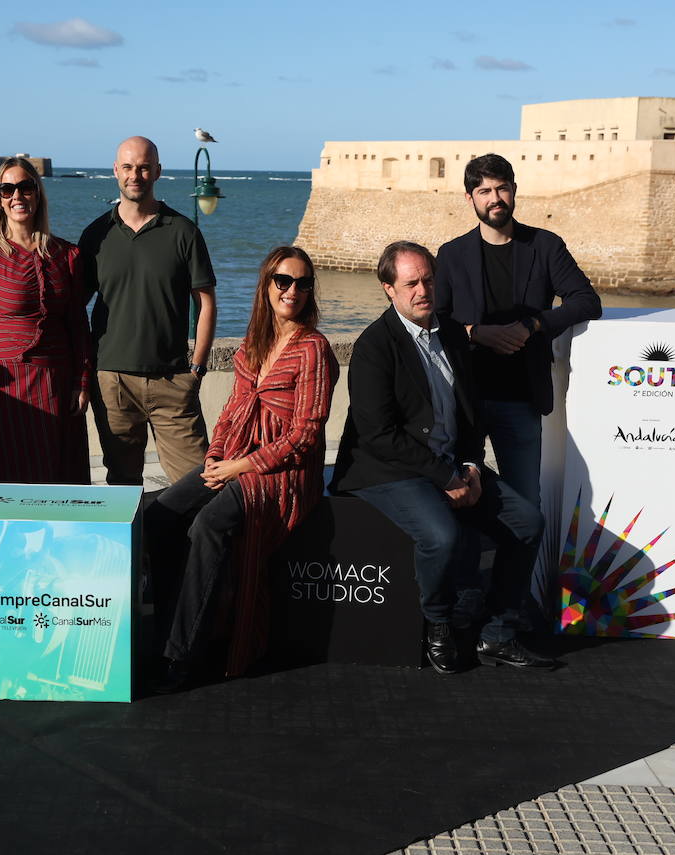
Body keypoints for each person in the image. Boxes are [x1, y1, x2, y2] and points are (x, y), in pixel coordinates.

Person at [330, 241, 552, 673]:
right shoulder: (375, 346)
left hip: (451, 462)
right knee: (442, 536)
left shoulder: (451, 333)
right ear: (388, 289)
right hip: (391, 470)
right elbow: (379, 435)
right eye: (410, 283)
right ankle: (437, 624)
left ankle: (498, 634)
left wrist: (469, 465)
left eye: (428, 280)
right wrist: (445, 476)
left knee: (527, 523)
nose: (422, 290)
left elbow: (470, 413)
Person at [147, 246, 338, 690]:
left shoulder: (314, 349)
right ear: (266, 284)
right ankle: (171, 623)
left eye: (303, 283)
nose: (293, 291)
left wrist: (238, 467)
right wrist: (214, 459)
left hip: (284, 474)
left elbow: (305, 434)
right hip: (234, 457)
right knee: (161, 515)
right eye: (283, 281)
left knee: (208, 524)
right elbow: (232, 413)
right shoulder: (253, 345)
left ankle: (182, 655)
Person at [434, 153, 601, 624]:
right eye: (484, 191)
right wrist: (476, 333)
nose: (494, 198)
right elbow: (436, 321)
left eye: (501, 188)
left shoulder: (544, 246)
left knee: (524, 508)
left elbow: (587, 300)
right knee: (461, 503)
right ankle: (464, 600)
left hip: (520, 401)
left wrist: (533, 324)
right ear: (470, 198)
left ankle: (511, 604)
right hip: (463, 401)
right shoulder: (451, 255)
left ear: (514, 190)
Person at [78, 136, 217, 487]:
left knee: (198, 483)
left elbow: (206, 303)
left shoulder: (183, 232)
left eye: (143, 167)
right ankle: (134, 544)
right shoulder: (96, 235)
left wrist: (197, 368)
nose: (135, 175)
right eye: (127, 167)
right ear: (115, 171)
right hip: (112, 383)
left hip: (172, 381)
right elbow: (74, 307)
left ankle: (188, 545)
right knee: (122, 484)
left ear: (157, 171)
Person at [0, 157, 92, 493]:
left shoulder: (67, 255)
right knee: (9, 484)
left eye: (25, 186)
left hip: (60, 386)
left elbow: (78, 324)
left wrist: (83, 381)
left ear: (38, 193)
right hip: (8, 392)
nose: (17, 196)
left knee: (59, 485)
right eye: (7, 189)